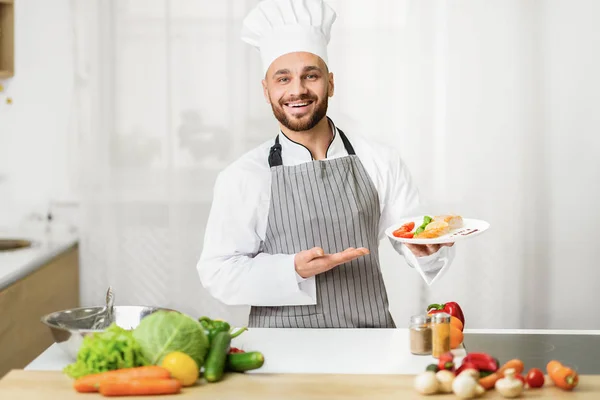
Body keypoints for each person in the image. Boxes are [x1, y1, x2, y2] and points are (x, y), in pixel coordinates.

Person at [197, 0, 456, 328]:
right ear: (266, 90)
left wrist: (425, 249)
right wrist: (292, 269)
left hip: (369, 341)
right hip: (280, 351)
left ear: (330, 82)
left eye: (311, 76)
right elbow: (217, 274)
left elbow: (416, 239)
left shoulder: (379, 160)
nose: (298, 90)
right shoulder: (243, 176)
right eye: (283, 79)